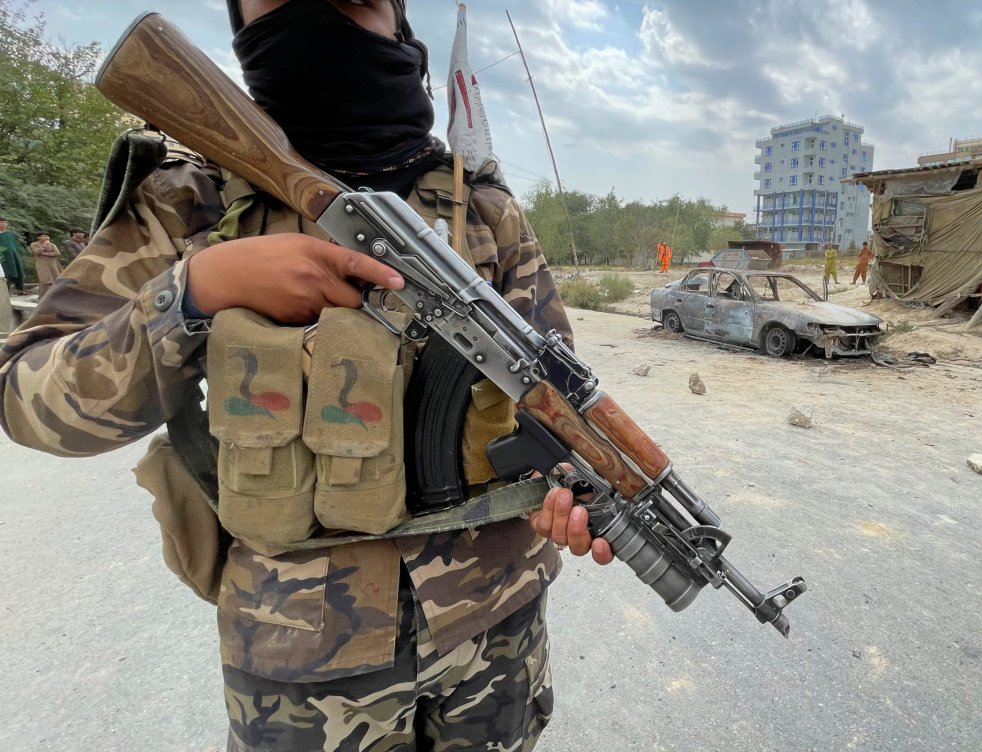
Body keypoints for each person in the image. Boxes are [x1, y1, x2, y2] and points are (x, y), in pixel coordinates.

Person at [0, 1, 612, 750]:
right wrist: (195, 292)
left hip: (497, 617)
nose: (322, 19)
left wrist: (566, 486)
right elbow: (26, 397)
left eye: (354, 0)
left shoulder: (481, 206)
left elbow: (554, 395)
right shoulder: (189, 203)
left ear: (399, 20)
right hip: (301, 647)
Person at [29, 230, 62, 296]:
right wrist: (44, 246)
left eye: (47, 236)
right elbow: (37, 252)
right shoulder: (34, 244)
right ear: (38, 237)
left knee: (56, 279)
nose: (47, 238)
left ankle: (56, 295)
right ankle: (43, 296)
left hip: (53, 264)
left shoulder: (52, 245)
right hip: (42, 265)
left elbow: (57, 253)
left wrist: (44, 254)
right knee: (44, 280)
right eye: (44, 236)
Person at [0, 216, 26, 293]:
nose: (3, 224)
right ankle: (5, 291)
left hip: (13, 256)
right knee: (5, 273)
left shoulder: (12, 235)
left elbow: (16, 245)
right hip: (3, 257)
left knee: (17, 270)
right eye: (1, 222)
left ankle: (20, 289)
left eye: (5, 222)